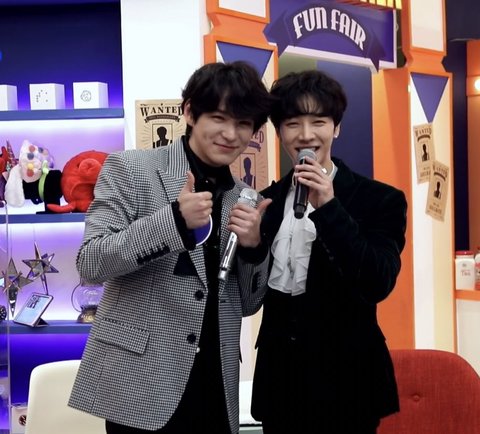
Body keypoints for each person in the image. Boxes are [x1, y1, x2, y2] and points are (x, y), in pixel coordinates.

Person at [68, 61, 273, 434]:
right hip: (140, 381)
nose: (231, 134)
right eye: (219, 118)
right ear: (190, 113)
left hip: (215, 383)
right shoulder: (132, 168)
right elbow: (91, 262)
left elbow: (248, 304)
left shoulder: (247, 199)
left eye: (243, 124)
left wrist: (254, 249)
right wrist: (174, 221)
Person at [251, 70, 407, 434]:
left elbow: (377, 281)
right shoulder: (267, 202)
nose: (306, 134)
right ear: (280, 133)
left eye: (318, 122)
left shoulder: (380, 199)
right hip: (281, 386)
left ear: (336, 128)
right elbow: (253, 291)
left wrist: (329, 207)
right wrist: (249, 247)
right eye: (293, 123)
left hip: (348, 384)